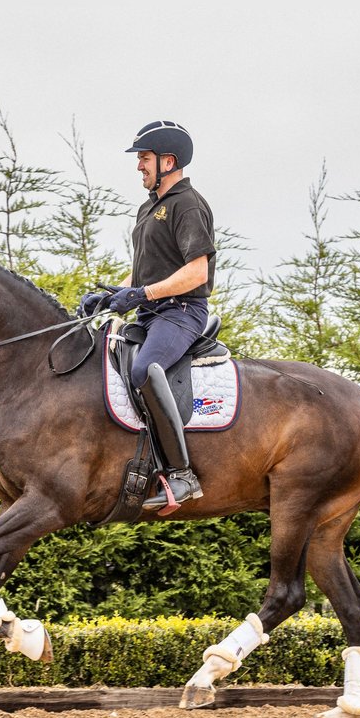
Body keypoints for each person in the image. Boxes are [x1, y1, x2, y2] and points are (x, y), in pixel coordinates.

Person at [80, 120, 216, 514]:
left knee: (145, 369)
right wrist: (110, 297)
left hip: (183, 312)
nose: (139, 166)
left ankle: (182, 475)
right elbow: (144, 271)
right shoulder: (149, 208)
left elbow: (197, 272)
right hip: (153, 311)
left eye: (144, 158)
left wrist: (140, 294)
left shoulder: (188, 204)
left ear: (167, 160)